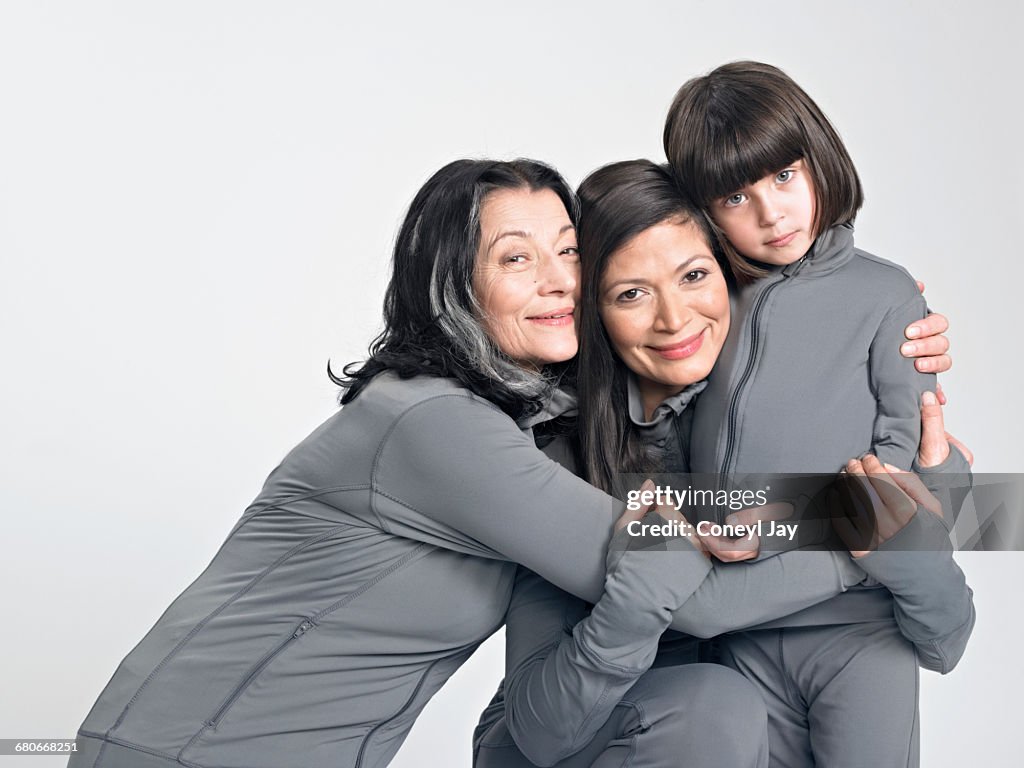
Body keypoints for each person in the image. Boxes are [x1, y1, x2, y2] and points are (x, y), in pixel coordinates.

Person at [71, 158, 925, 768]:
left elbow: (689, 475)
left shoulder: (529, 427)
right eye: (517, 258)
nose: (558, 281)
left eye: (568, 252)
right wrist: (916, 520)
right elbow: (675, 570)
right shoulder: (436, 427)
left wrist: (875, 335)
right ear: (453, 285)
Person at [473, 161, 971, 768]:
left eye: (694, 275)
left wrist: (918, 515)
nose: (674, 319)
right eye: (631, 293)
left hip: (732, 735)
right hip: (581, 744)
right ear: (592, 313)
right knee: (714, 705)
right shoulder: (557, 456)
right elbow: (538, 730)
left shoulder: (779, 427)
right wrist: (886, 524)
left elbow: (946, 636)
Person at [662, 61, 975, 766]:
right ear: (702, 211)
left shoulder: (886, 295)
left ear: (821, 161)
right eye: (736, 196)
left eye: (784, 176)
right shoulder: (704, 306)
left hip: (859, 627)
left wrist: (776, 526)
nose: (772, 213)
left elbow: (902, 465)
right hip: (737, 636)